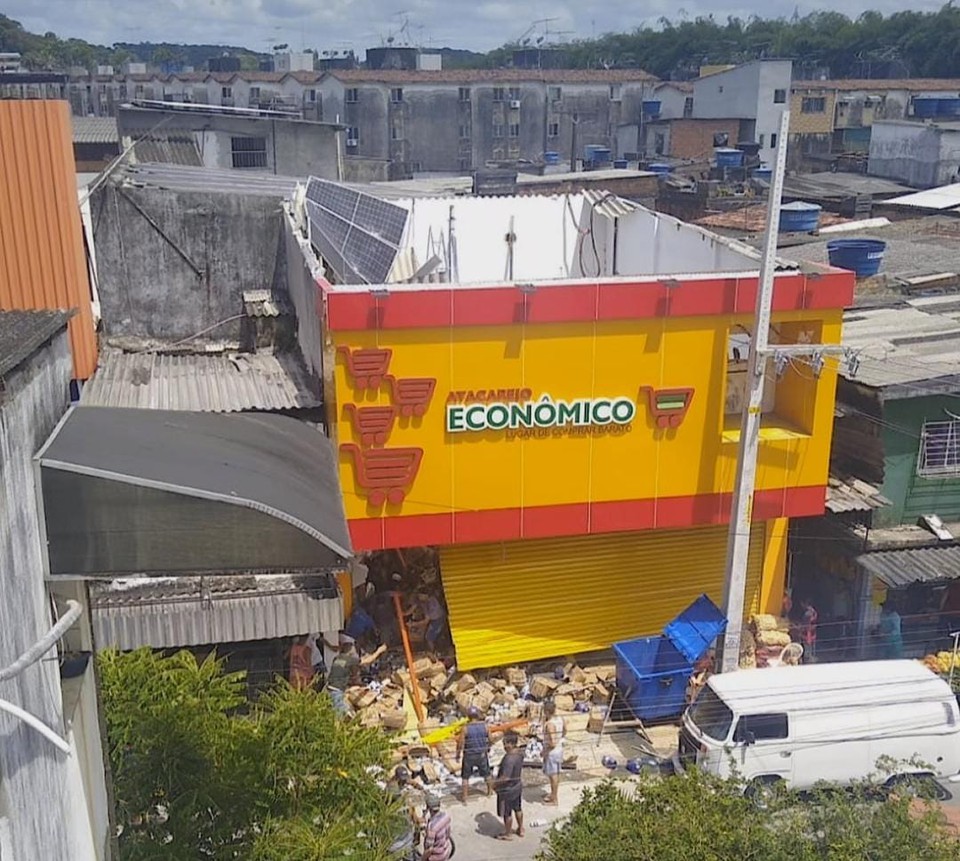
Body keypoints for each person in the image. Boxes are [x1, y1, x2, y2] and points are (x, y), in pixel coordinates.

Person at [325, 634, 385, 716]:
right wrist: (379, 651)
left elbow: (344, 671)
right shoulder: (349, 659)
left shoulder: (337, 658)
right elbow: (367, 661)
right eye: (353, 651)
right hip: (337, 690)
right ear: (349, 652)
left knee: (339, 711)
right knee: (340, 715)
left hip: (331, 687)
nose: (355, 653)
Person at [456, 706, 493, 803]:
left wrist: (458, 754)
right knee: (487, 774)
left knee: (465, 777)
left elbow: (460, 743)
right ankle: (489, 792)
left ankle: (464, 798)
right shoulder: (485, 726)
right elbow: (491, 739)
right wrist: (488, 748)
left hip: (469, 755)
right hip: (481, 754)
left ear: (468, 716)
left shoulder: (465, 728)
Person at [494, 730, 524, 841]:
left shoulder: (509, 759)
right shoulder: (520, 753)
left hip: (508, 790)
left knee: (507, 813)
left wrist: (494, 784)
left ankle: (507, 833)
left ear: (510, 744)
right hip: (517, 785)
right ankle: (520, 829)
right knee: (518, 808)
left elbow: (505, 777)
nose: (504, 746)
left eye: (505, 743)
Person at [542, 699, 566, 805]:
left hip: (552, 752)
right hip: (559, 750)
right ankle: (552, 794)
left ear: (546, 711)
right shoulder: (560, 719)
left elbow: (552, 742)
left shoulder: (550, 725)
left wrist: (544, 751)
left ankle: (554, 798)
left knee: (553, 775)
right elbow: (565, 731)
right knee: (555, 774)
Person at [421, 793, 452, 861]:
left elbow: (429, 849)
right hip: (445, 852)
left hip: (436, 857)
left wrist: (422, 859)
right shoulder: (446, 817)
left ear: (428, 807)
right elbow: (448, 834)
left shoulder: (432, 827)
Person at [799, 598, 819, 662]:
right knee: (811, 646)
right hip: (812, 632)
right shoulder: (814, 612)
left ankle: (808, 658)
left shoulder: (808, 613)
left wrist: (800, 628)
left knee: (807, 647)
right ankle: (811, 657)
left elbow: (806, 624)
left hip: (807, 633)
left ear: (805, 603)